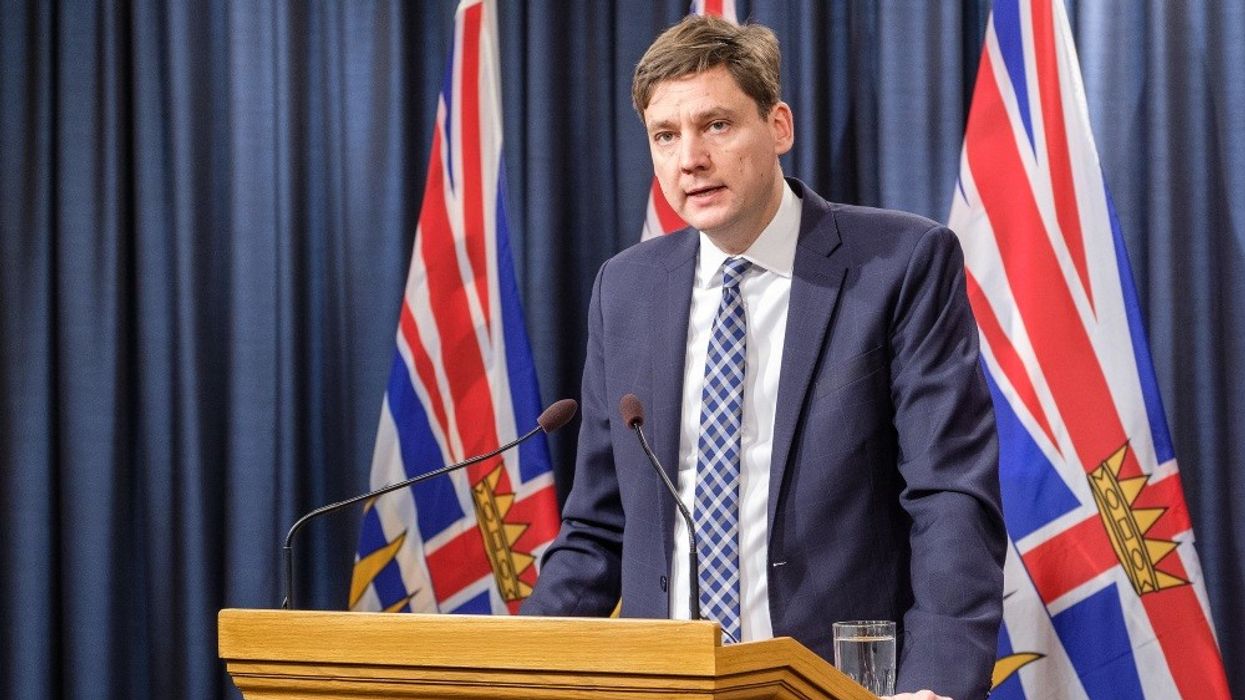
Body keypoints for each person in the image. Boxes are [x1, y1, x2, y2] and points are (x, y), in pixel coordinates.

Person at [522, 15, 1006, 700]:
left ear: (778, 126)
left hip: (839, 684)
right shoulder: (624, 289)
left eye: (715, 125)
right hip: (670, 686)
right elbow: (599, 529)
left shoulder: (897, 264)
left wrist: (936, 684)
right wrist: (514, 668)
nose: (689, 158)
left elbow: (949, 496)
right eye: (665, 136)